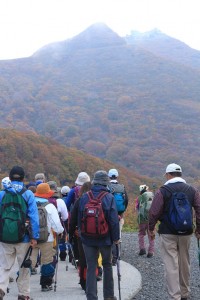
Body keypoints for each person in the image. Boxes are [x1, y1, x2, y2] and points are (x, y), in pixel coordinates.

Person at [148, 163, 200, 300]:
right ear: (180, 174)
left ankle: (174, 296)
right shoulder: (192, 190)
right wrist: (198, 229)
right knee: (185, 262)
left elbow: (154, 212)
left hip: (167, 232)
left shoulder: (163, 190)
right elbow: (199, 209)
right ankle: (185, 293)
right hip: (186, 232)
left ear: (168, 174)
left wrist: (151, 228)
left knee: (171, 264)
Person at [78, 170, 120, 300]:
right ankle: (108, 296)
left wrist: (82, 235)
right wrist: (116, 238)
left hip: (88, 238)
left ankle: (91, 296)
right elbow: (113, 221)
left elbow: (80, 217)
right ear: (106, 183)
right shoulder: (108, 197)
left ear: (94, 182)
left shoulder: (85, 196)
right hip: (105, 238)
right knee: (107, 265)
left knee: (91, 266)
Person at [0, 166, 39, 300]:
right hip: (24, 237)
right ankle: (24, 294)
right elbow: (34, 217)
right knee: (24, 267)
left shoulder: (2, 194)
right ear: (23, 178)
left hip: (4, 237)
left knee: (4, 266)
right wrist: (35, 237)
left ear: (10, 178)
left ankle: (1, 288)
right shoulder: (28, 194)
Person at [31, 183, 64, 292]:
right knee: (47, 261)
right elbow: (57, 225)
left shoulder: (30, 204)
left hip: (31, 238)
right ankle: (45, 284)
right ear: (47, 194)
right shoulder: (50, 206)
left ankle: (22, 282)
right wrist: (60, 231)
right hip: (47, 238)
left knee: (29, 261)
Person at [108, 168, 129, 265]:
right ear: (117, 176)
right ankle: (117, 256)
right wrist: (122, 211)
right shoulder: (122, 187)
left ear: (109, 176)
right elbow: (126, 201)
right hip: (120, 214)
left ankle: (109, 256)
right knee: (118, 235)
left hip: (108, 215)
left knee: (108, 235)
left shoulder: (107, 187)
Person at [47, 181, 69, 261]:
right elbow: (65, 217)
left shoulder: (43, 200)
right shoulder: (60, 201)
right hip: (57, 226)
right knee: (61, 238)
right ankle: (62, 253)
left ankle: (50, 258)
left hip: (46, 227)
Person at [135, 184, 154, 257]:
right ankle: (151, 251)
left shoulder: (139, 198)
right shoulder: (152, 197)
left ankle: (142, 249)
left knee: (141, 234)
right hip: (151, 219)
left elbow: (136, 208)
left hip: (142, 219)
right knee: (151, 235)